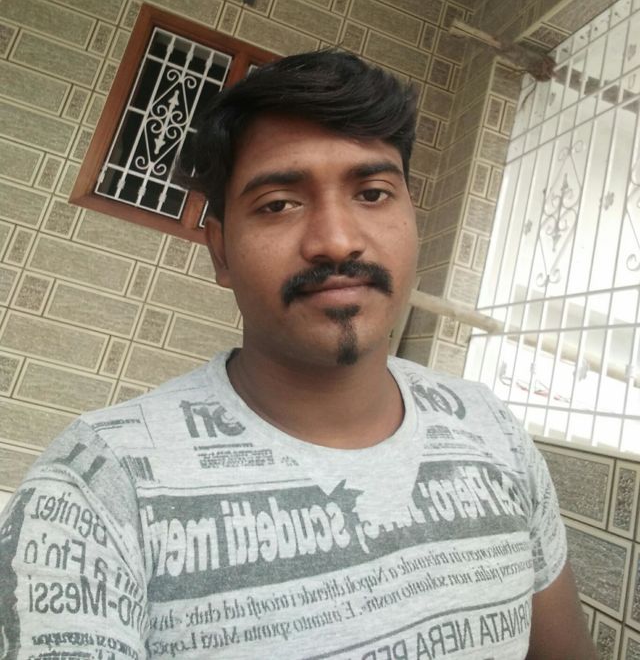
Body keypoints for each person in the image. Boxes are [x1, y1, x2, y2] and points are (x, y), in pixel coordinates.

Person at [0, 50, 595, 659]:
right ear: (221, 250)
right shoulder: (98, 489)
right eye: (279, 204)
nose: (336, 240)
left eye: (373, 193)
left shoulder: (492, 430)